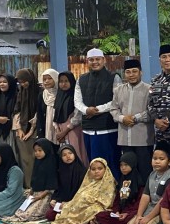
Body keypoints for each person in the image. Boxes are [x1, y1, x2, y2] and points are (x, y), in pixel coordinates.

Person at [75, 48, 122, 177]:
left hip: (108, 129)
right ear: (87, 61)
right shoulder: (81, 79)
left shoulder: (114, 77)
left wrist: (96, 110)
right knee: (94, 166)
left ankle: (114, 194)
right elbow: (77, 101)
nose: (94, 62)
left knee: (111, 165)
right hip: (88, 130)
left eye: (97, 59)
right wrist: (86, 110)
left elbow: (116, 100)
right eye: (91, 60)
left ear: (103, 60)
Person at [111, 59, 153, 178]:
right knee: (128, 172)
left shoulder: (149, 90)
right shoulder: (118, 90)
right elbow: (113, 109)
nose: (131, 75)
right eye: (128, 72)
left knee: (144, 171)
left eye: (135, 71)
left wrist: (135, 118)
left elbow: (152, 111)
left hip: (143, 139)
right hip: (124, 138)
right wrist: (122, 118)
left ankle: (144, 196)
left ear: (141, 72)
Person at [51, 158, 117, 224]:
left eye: (100, 168)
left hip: (94, 207)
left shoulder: (109, 182)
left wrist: (88, 199)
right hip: (79, 206)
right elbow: (77, 197)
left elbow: (107, 202)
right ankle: (89, 220)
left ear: (105, 169)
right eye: (93, 169)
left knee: (98, 213)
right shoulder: (88, 182)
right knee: (51, 213)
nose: (96, 171)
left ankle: (92, 220)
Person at [128, 141, 170, 224]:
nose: (157, 161)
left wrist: (148, 218)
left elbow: (163, 201)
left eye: (161, 159)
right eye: (154, 158)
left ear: (169, 162)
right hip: (151, 207)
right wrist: (139, 215)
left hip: (162, 211)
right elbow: (146, 195)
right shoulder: (152, 174)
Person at [6, 138, 59, 222]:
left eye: (40, 150)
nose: (37, 153)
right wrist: (31, 191)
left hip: (46, 195)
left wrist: (40, 196)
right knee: (20, 211)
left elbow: (51, 186)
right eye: (35, 151)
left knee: (28, 215)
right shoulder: (37, 163)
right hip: (36, 193)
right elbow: (35, 180)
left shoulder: (51, 164)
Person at [95, 152, 144, 224]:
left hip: (132, 212)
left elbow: (140, 202)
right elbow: (117, 200)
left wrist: (127, 213)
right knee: (100, 215)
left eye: (126, 165)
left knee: (131, 217)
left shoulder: (138, 182)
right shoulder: (121, 180)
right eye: (121, 165)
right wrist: (116, 211)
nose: (123, 168)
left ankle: (123, 221)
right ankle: (121, 221)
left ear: (132, 164)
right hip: (121, 212)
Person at [53, 72, 89, 166]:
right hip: (61, 131)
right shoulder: (59, 96)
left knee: (76, 154)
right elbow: (55, 114)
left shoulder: (75, 96)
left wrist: (65, 131)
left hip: (74, 130)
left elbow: (78, 116)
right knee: (65, 156)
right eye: (61, 81)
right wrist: (58, 131)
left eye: (66, 81)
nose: (63, 84)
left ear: (72, 82)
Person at [45, 144, 87, 222]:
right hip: (62, 202)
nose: (68, 156)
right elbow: (58, 189)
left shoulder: (82, 171)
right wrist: (54, 199)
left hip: (77, 202)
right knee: (49, 215)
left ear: (74, 154)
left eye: (70, 153)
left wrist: (70, 203)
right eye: (64, 155)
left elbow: (84, 191)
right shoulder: (60, 171)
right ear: (61, 158)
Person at [13, 68, 39, 187]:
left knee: (34, 159)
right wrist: (19, 129)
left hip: (35, 131)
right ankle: (27, 186)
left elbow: (38, 113)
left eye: (25, 81)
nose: (23, 84)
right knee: (24, 161)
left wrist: (31, 131)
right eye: (20, 82)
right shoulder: (21, 92)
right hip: (21, 131)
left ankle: (35, 185)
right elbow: (16, 111)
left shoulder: (39, 91)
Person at [0, 74, 18, 156]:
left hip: (13, 130)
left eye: (5, 82)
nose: (2, 84)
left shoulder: (17, 96)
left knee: (12, 153)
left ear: (11, 83)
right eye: (0, 82)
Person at [36, 69, 60, 144]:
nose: (46, 81)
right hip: (46, 130)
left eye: (50, 78)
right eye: (44, 79)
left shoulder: (61, 93)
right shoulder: (42, 95)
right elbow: (39, 114)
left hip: (60, 129)